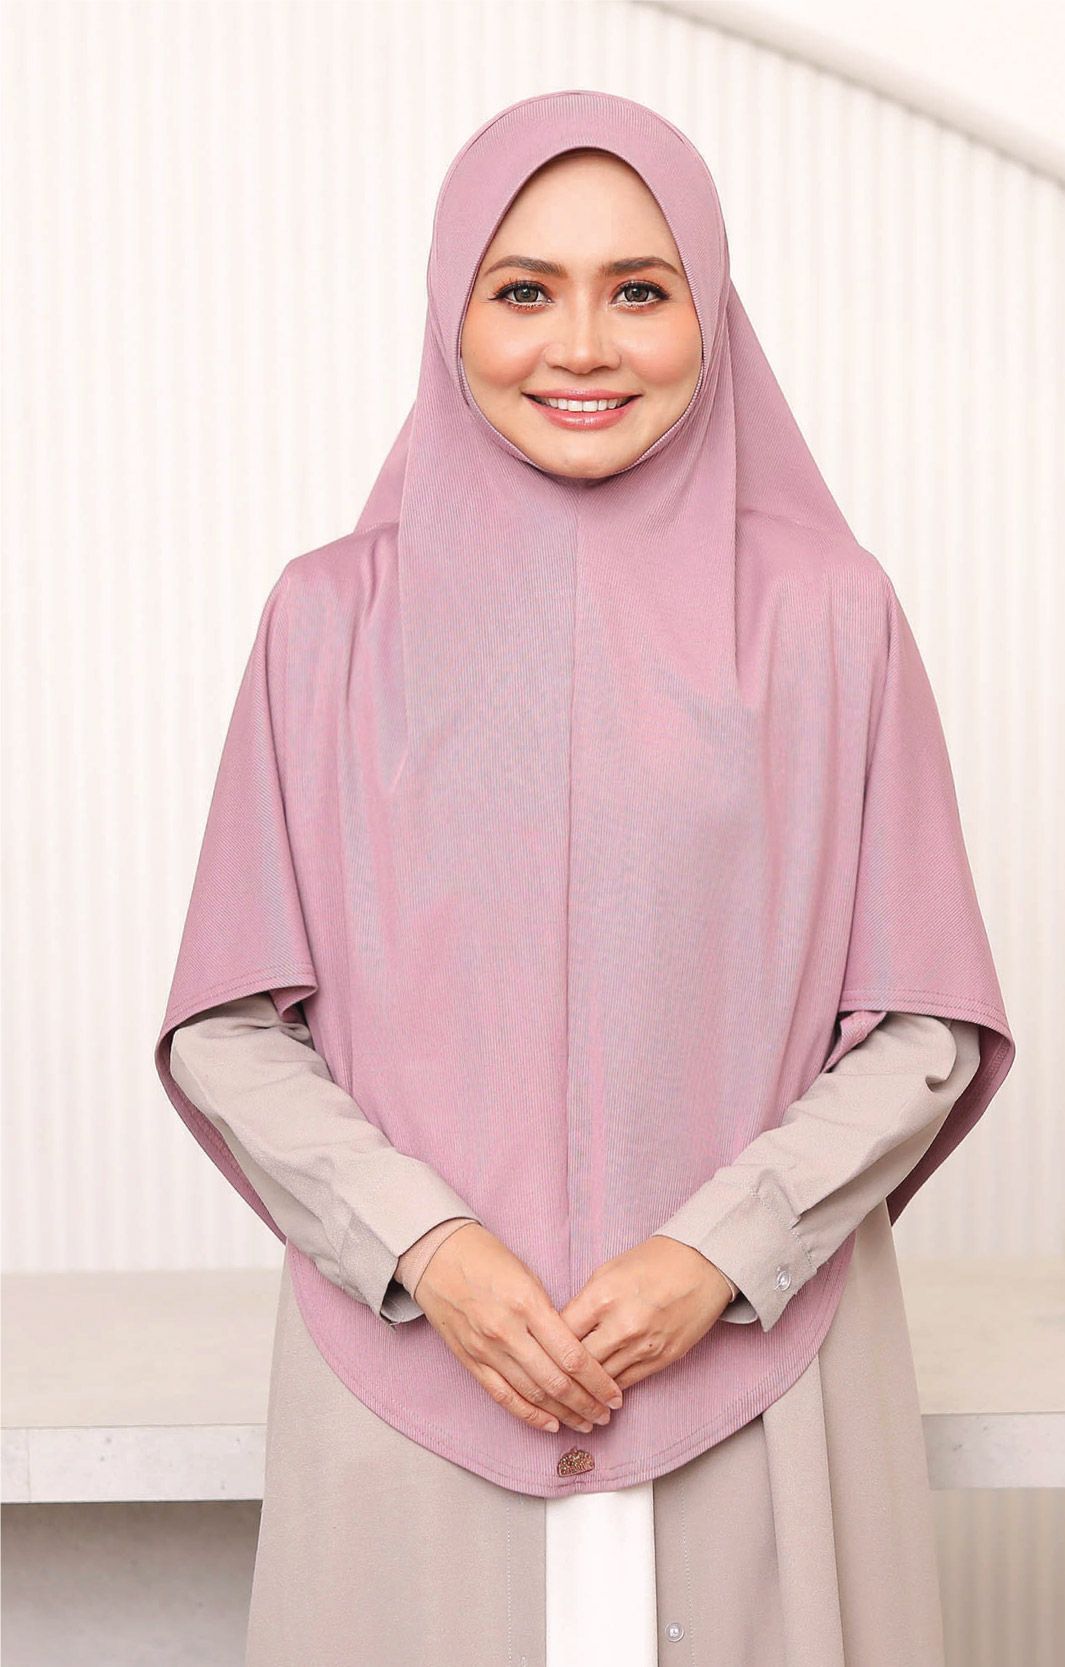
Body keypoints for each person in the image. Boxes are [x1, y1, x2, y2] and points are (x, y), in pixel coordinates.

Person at [155, 90, 1015, 1665]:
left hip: (761, 1387)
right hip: (412, 1398)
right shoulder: (327, 626)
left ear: (710, 307)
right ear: (452, 311)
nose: (582, 346)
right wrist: (426, 1249)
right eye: (524, 289)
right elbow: (226, 1024)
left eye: (638, 289)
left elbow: (925, 1024)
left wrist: (718, 1253)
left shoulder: (830, 618)